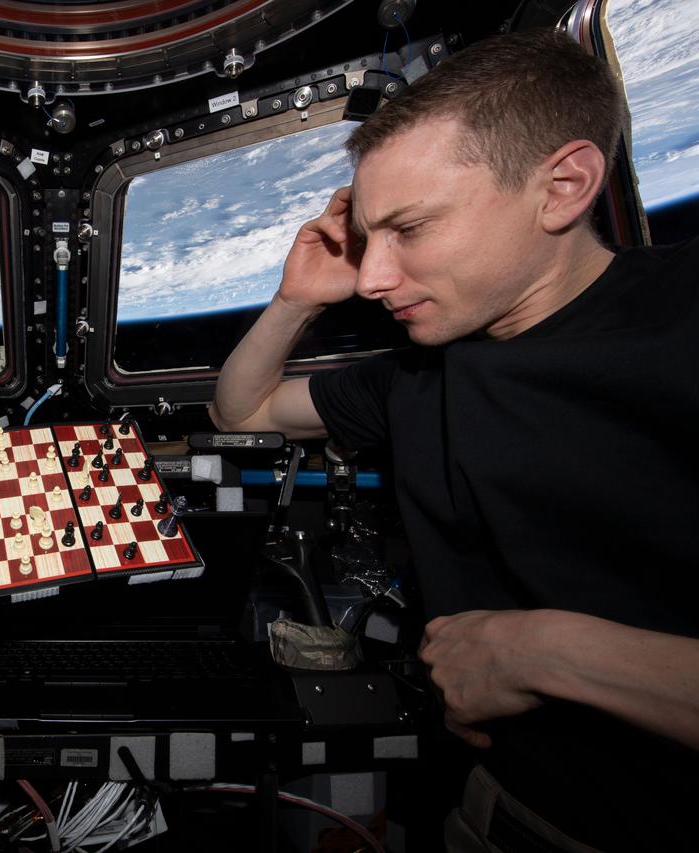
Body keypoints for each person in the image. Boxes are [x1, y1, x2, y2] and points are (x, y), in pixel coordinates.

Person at [210, 27, 698, 852]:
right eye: (369, 239)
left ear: (564, 186)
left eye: (412, 228)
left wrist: (553, 653)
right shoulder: (416, 373)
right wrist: (297, 300)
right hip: (502, 811)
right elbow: (241, 409)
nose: (371, 278)